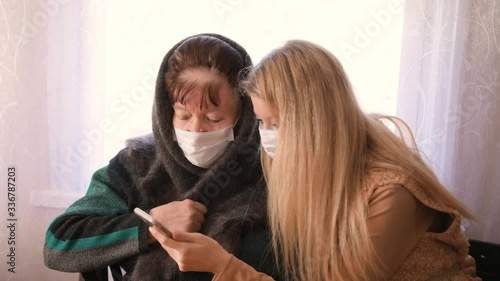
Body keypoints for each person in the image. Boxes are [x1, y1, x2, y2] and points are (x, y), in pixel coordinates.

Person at [150, 40, 481, 280]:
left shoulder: (392, 192)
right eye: (263, 123)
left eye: (277, 123)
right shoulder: (315, 172)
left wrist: (222, 265)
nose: (266, 137)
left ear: (316, 121)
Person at [43, 34, 284, 281]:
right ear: (165, 112)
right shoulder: (138, 164)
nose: (196, 129)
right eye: (183, 116)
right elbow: (58, 243)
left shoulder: (268, 168)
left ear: (242, 118)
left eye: (214, 119)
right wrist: (150, 226)